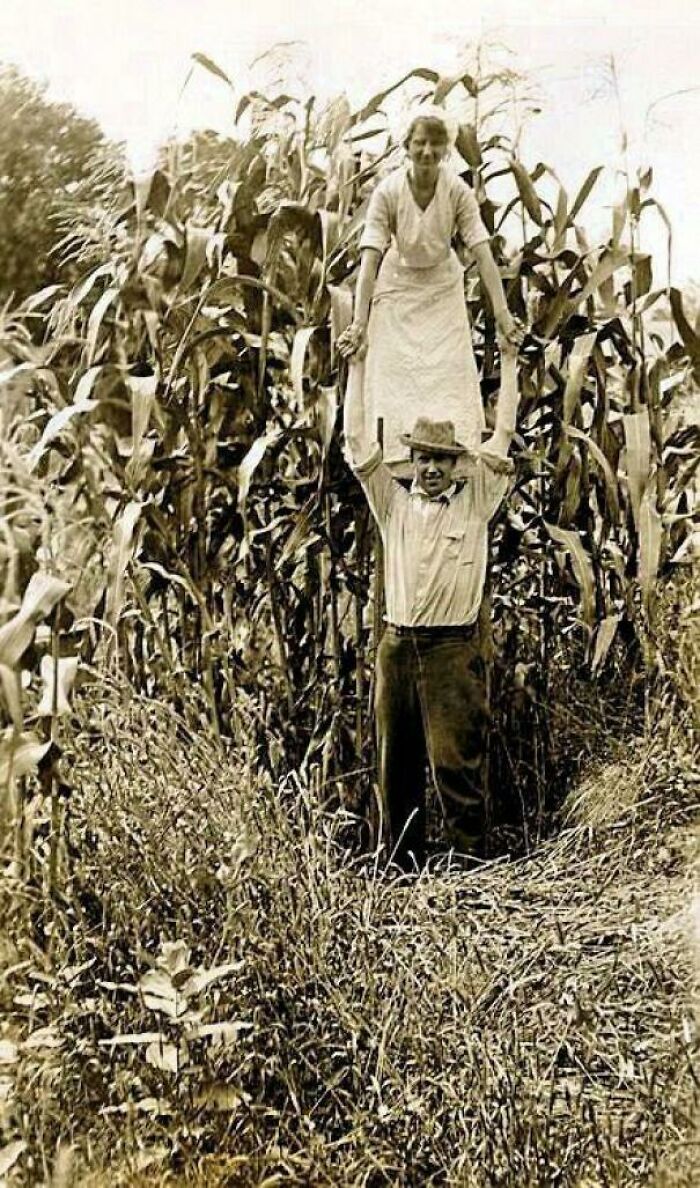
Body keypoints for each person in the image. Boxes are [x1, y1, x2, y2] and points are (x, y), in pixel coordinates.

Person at [343, 342, 521, 872]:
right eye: (424, 459)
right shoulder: (392, 504)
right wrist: (356, 364)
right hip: (397, 648)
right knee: (395, 768)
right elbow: (356, 441)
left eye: (441, 459)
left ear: (455, 464)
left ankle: (471, 875)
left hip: (451, 651)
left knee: (456, 765)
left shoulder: (476, 502)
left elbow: (503, 435)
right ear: (414, 463)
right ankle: (401, 875)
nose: (432, 468)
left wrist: (510, 362)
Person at [337, 104, 522, 458]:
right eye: (420, 142)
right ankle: (393, 459)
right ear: (406, 145)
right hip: (397, 288)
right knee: (393, 375)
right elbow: (370, 259)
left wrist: (503, 315)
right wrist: (359, 323)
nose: (427, 151)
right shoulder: (388, 192)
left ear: (446, 149)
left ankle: (451, 459)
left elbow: (483, 253)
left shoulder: (457, 192)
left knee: (448, 375)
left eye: (436, 144)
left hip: (442, 290)